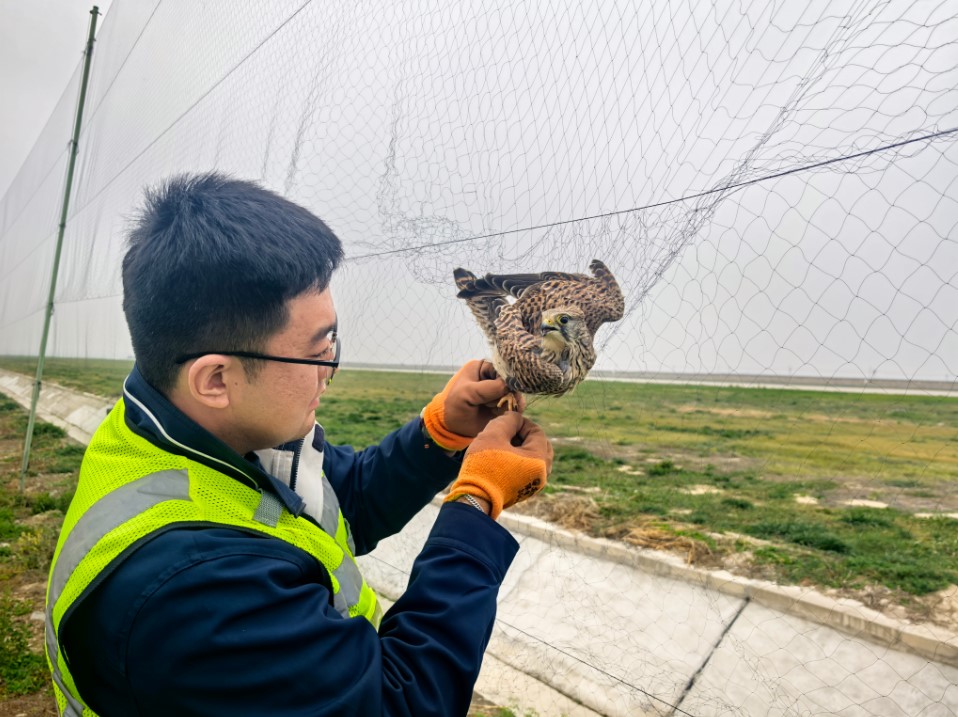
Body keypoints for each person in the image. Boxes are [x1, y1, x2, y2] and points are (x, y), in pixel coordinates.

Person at [45, 173, 553, 716]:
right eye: (314, 352)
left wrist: (441, 432)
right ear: (215, 379)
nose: (328, 370)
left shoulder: (182, 423)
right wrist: (477, 501)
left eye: (333, 340)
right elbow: (398, 704)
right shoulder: (195, 591)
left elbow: (341, 500)